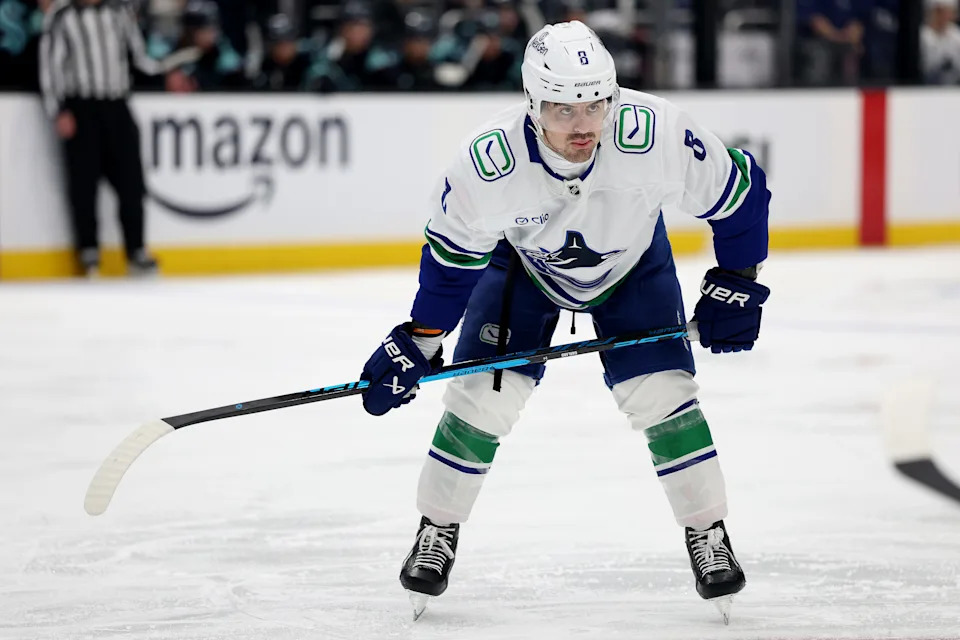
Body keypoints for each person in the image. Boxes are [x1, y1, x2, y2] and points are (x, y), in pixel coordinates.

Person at [359, 21, 770, 623]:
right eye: (560, 108)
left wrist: (739, 280)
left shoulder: (654, 133)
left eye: (595, 104)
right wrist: (419, 341)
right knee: (479, 402)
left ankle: (707, 532)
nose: (582, 125)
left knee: (664, 398)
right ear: (531, 102)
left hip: (631, 265)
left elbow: (741, 194)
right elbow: (450, 262)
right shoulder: (487, 163)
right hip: (523, 268)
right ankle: (437, 527)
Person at [38, 0, 187, 276]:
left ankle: (136, 249)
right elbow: (51, 66)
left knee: (131, 180)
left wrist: (165, 75)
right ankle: (89, 249)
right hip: (81, 107)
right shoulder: (62, 15)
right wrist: (58, 109)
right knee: (83, 183)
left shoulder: (118, 12)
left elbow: (139, 58)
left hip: (117, 105)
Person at [921, 0, 960, 85]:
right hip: (925, 88)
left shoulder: (956, 35)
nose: (949, 16)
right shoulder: (922, 35)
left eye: (951, 12)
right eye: (944, 11)